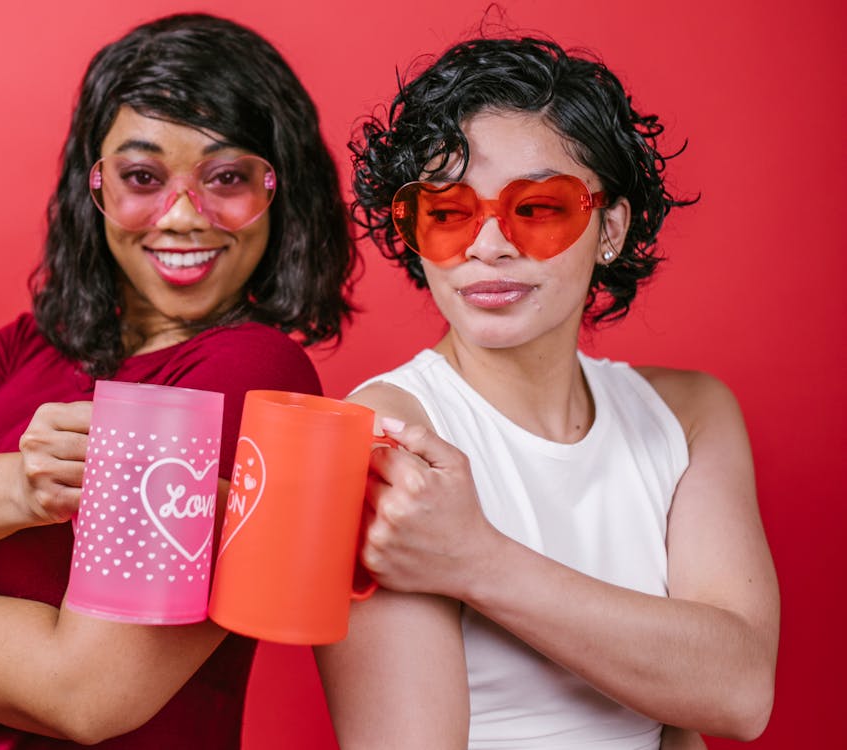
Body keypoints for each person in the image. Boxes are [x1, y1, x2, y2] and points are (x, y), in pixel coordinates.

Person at [0, 13, 356, 748]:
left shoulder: (249, 373)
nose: (184, 216)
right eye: (142, 178)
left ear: (279, 191)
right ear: (92, 187)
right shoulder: (39, 340)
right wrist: (26, 488)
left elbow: (88, 694)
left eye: (226, 178)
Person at [314, 36, 779, 749]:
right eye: (447, 213)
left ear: (610, 229)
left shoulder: (685, 417)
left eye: (535, 208)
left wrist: (476, 560)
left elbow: (736, 691)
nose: (488, 245)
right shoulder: (385, 431)